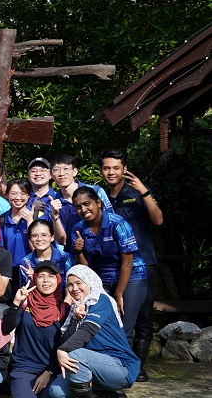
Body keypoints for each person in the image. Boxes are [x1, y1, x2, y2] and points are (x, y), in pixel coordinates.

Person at [100, 150, 162, 382]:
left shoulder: (137, 192)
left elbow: (158, 220)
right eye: (107, 168)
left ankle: (139, 365)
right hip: (114, 264)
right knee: (117, 313)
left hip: (143, 262)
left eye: (116, 168)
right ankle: (118, 363)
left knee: (143, 315)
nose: (111, 172)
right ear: (101, 171)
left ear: (123, 169)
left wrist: (144, 191)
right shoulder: (103, 198)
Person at [49, 265, 140, 398]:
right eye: (69, 284)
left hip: (120, 366)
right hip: (92, 366)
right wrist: (75, 321)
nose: (74, 288)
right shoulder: (75, 308)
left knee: (75, 354)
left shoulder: (101, 300)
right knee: (56, 392)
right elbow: (66, 340)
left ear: (90, 282)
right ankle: (103, 395)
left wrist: (62, 350)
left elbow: (88, 330)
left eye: (79, 283)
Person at [68, 187, 148, 348]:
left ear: (98, 202)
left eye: (87, 204)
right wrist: (78, 251)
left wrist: (118, 294)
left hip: (131, 275)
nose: (83, 209)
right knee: (101, 324)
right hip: (100, 277)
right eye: (78, 206)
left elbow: (128, 261)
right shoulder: (78, 229)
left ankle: (129, 369)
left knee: (124, 326)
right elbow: (84, 269)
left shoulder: (118, 224)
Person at [3, 261, 65, 398]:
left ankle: (31, 393)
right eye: (41, 276)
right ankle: (19, 389)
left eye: (51, 277)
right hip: (24, 368)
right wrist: (16, 302)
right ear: (34, 279)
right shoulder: (25, 303)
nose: (46, 281)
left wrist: (49, 372)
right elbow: (6, 328)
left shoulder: (63, 308)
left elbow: (65, 346)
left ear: (57, 280)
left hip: (51, 371)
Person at [51, 154, 113, 244]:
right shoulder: (53, 202)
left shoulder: (95, 191)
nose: (61, 173)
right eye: (56, 170)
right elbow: (61, 241)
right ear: (52, 175)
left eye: (66, 169)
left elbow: (112, 220)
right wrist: (55, 216)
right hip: (74, 254)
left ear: (75, 171)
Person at [0, 177, 34, 277]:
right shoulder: (2, 219)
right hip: (9, 270)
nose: (18, 197)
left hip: (32, 269)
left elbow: (40, 245)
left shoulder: (37, 216)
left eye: (23, 193)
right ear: (7, 195)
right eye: (13, 193)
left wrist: (30, 221)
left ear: (28, 196)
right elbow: (1, 247)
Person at [25, 156, 59, 223]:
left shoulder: (58, 197)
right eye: (33, 171)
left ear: (51, 175)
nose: (38, 174)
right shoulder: (22, 198)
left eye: (43, 170)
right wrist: (31, 207)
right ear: (28, 176)